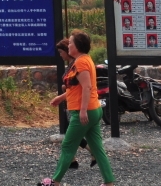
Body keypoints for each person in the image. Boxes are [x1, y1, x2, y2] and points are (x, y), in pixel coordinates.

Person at [41, 31, 115, 186]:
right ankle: (109, 183)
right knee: (97, 149)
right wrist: (61, 98)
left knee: (68, 145)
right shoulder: (84, 60)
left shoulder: (81, 62)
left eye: (71, 43)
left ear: (78, 46)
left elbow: (87, 87)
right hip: (93, 110)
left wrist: (82, 111)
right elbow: (77, 88)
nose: (68, 45)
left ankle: (54, 182)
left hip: (85, 111)